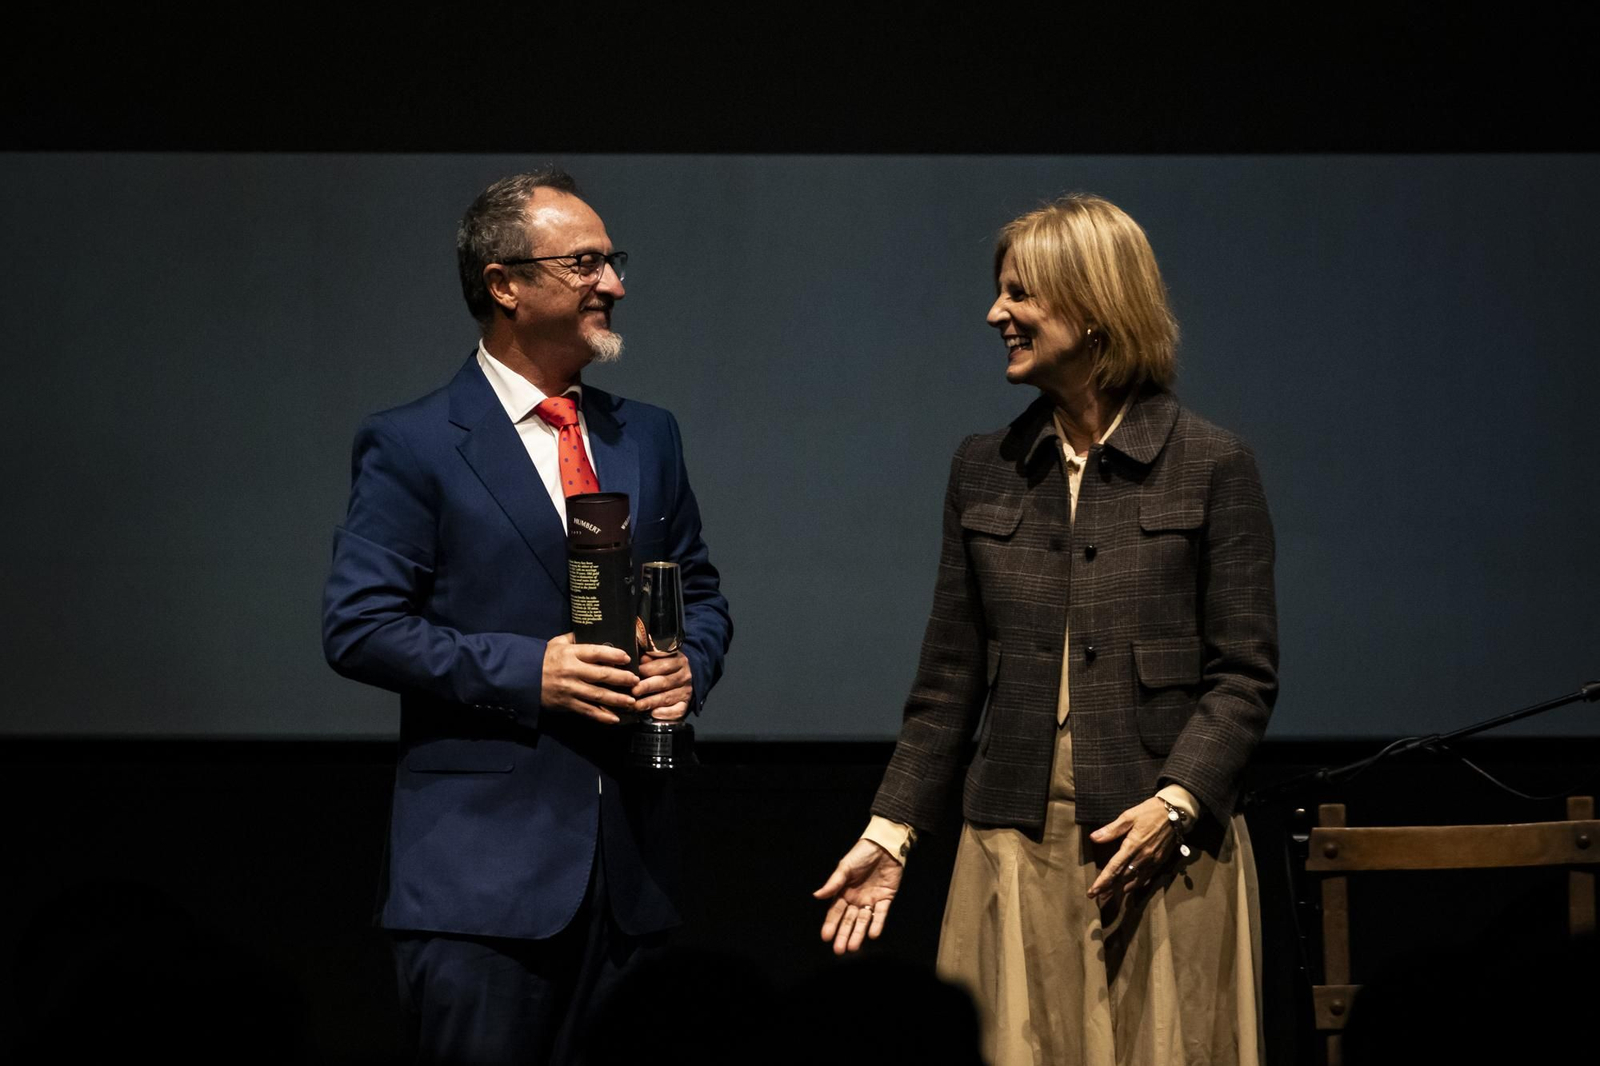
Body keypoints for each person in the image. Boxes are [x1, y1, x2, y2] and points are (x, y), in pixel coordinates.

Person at [815, 194, 1277, 1065]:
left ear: (1095, 307)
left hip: (1159, 845)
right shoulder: (983, 469)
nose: (997, 314)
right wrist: (890, 831)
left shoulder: (1213, 465)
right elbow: (948, 680)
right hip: (1013, 846)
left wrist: (1176, 803)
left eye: (1020, 294)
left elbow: (1243, 675)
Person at [322, 168, 732, 1064]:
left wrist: (689, 666)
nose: (613, 284)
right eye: (585, 263)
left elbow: (699, 592)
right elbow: (359, 626)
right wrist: (529, 671)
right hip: (481, 890)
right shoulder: (415, 442)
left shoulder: (646, 434)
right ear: (504, 284)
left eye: (612, 263)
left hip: (633, 881)